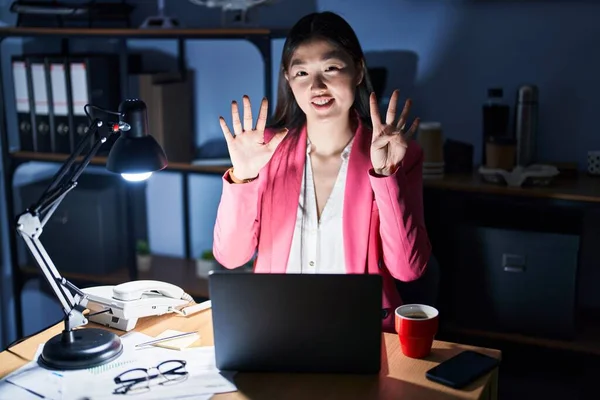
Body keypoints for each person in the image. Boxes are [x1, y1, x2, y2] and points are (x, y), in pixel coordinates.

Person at [212, 11, 432, 332]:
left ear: (358, 70)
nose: (317, 86)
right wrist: (243, 178)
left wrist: (386, 177)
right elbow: (231, 257)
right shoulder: (264, 151)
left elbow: (408, 270)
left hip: (361, 333)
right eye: (301, 72)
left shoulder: (399, 155)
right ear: (288, 78)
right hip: (276, 328)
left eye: (331, 68)